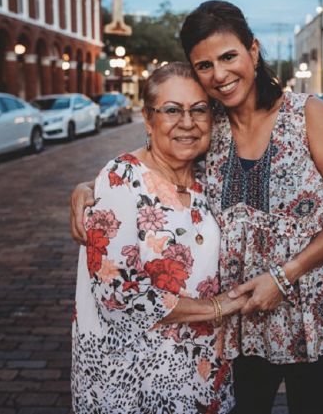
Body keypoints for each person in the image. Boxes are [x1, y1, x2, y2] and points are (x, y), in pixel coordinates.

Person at [71, 0, 323, 414]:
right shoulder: (209, 127)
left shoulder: (307, 114)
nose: (220, 74)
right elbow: (153, 165)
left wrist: (284, 276)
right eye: (204, 65)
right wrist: (92, 186)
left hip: (320, 312)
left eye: (228, 56)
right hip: (239, 322)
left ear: (254, 50)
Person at [71, 62, 246, 414]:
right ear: (148, 120)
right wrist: (218, 307)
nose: (187, 122)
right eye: (171, 110)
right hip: (134, 381)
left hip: (202, 374)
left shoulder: (205, 182)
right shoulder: (121, 177)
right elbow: (117, 294)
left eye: (199, 110)